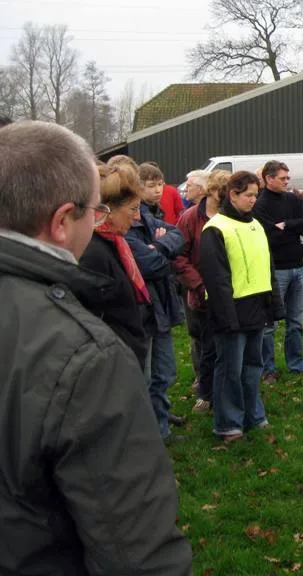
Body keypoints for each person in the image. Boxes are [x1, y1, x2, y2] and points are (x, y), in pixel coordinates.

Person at [0, 120, 192, 573]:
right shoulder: (83, 357)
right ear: (63, 221)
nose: (101, 220)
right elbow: (135, 553)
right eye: (95, 210)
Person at [199, 171, 284, 442]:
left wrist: (274, 306)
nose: (253, 201)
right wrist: (228, 318)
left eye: (255, 195)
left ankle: (253, 415)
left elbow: (267, 268)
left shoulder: (256, 225)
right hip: (231, 310)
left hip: (256, 308)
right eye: (248, 195)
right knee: (229, 370)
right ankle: (228, 424)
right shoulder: (216, 228)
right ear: (233, 194)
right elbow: (217, 279)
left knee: (252, 367)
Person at [127, 158, 186, 443]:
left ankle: (161, 427)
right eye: (151, 186)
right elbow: (149, 264)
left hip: (162, 304)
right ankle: (146, 434)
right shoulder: (129, 226)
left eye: (161, 184)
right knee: (144, 376)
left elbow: (177, 234)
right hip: (142, 310)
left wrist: (159, 246)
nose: (158, 190)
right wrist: (161, 250)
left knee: (165, 372)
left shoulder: (149, 217)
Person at [78, 164, 149, 369]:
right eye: (133, 209)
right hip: (113, 365)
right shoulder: (93, 253)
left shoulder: (114, 242)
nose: (137, 217)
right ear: (106, 210)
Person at [254, 160, 303, 379]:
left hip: (298, 268)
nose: (286, 182)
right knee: (269, 324)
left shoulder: (292, 199)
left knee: (296, 322)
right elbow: (270, 237)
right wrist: (294, 230)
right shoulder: (260, 205)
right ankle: (268, 369)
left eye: (287, 178)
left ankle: (296, 364)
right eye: (282, 178)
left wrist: (287, 225)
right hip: (276, 271)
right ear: (268, 178)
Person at [175, 170, 229, 413]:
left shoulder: (232, 215)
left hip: (228, 293)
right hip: (200, 293)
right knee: (203, 343)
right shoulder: (189, 218)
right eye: (223, 192)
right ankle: (204, 390)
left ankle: (224, 389)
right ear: (212, 191)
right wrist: (198, 284)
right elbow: (179, 256)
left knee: (226, 344)